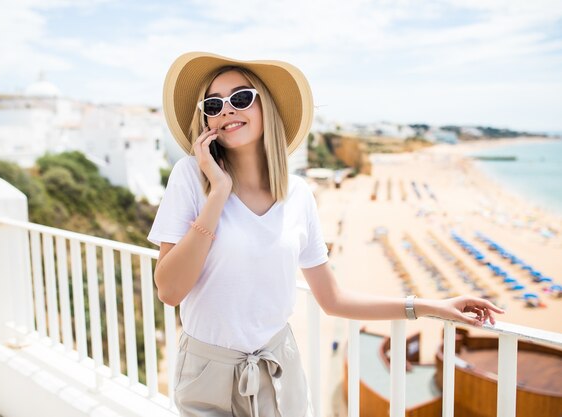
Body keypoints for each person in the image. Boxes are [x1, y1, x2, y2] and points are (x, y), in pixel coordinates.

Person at [148, 52, 504, 417]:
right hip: (207, 375)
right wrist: (218, 192)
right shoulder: (190, 176)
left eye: (241, 98)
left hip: (278, 368)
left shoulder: (299, 195)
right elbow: (170, 291)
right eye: (213, 103)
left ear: (265, 107)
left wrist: (430, 307)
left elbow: (333, 299)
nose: (226, 110)